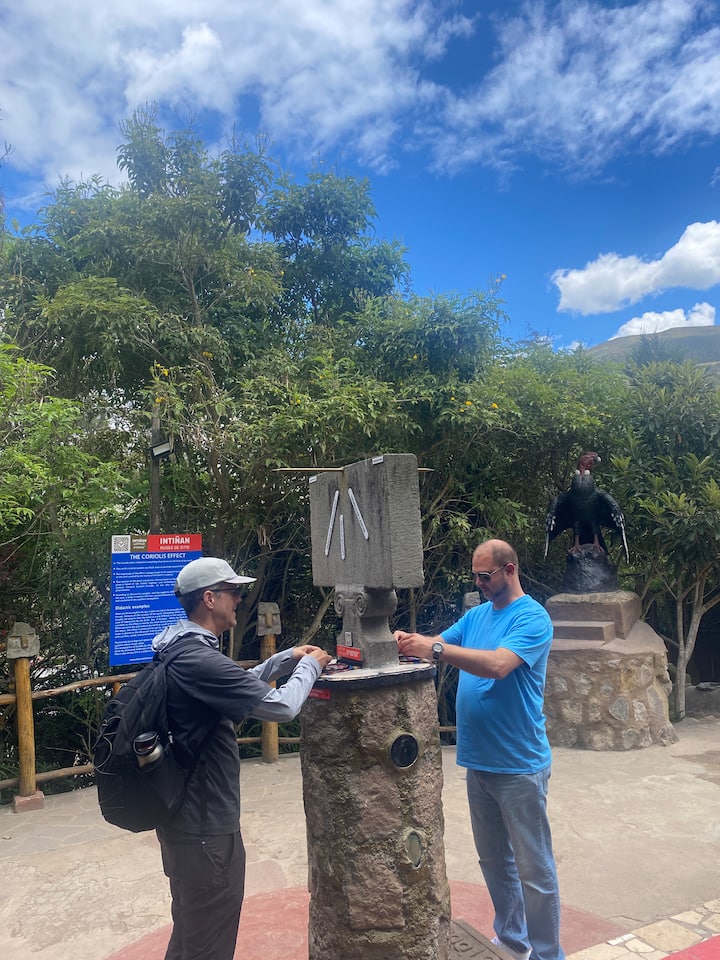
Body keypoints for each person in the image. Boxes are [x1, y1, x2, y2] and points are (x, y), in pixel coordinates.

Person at [152, 556, 331, 960]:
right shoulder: (200, 660)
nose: (238, 599)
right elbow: (282, 707)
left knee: (190, 936)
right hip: (206, 833)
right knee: (209, 945)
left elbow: (234, 687)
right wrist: (310, 668)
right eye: (233, 592)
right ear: (209, 598)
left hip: (186, 826)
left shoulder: (179, 649)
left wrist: (284, 659)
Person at [394, 538, 564, 960]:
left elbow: (498, 665)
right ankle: (512, 940)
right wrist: (408, 642)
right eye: (475, 576)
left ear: (510, 570)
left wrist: (433, 648)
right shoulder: (476, 616)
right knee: (494, 861)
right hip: (479, 762)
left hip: (519, 765)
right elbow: (436, 644)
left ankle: (547, 954)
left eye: (485, 575)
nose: (479, 583)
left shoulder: (533, 618)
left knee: (534, 868)